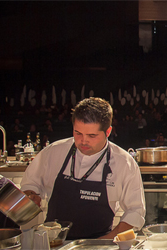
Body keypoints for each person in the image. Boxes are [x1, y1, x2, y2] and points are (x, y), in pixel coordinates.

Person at [21, 97, 146, 240]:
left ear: (108, 131)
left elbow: (135, 212)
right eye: (78, 133)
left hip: (98, 245)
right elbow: (30, 184)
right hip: (53, 243)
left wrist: (104, 242)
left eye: (92, 135)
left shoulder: (124, 163)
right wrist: (31, 195)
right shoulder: (53, 152)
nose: (83, 141)